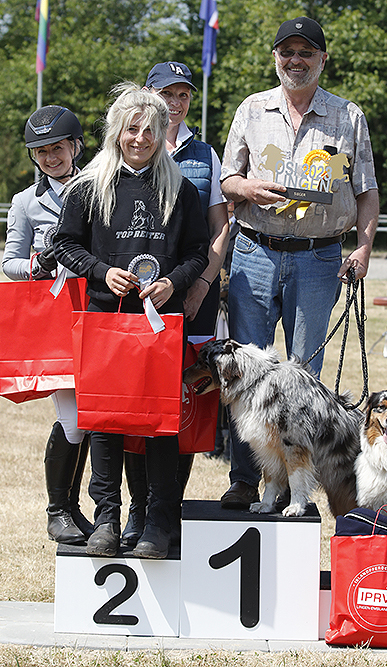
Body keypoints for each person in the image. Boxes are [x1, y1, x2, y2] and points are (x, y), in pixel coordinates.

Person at [218, 16, 380, 509]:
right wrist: (246, 188)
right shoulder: (251, 110)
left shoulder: (348, 116)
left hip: (319, 258)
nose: (295, 60)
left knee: (305, 375)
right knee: (244, 371)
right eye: (286, 52)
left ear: (322, 59)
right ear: (275, 58)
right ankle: (247, 478)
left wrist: (365, 245)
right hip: (255, 252)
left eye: (305, 52)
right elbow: (226, 181)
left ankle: (298, 483)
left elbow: (367, 192)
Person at [53, 83, 209, 558]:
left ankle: (158, 523)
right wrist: (102, 271)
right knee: (104, 422)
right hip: (104, 317)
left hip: (160, 323)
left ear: (165, 132)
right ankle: (106, 518)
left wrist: (172, 284)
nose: (140, 138)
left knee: (160, 424)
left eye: (150, 129)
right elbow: (64, 244)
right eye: (131, 128)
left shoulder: (180, 187)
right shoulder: (88, 186)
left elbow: (197, 253)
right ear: (117, 131)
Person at [113, 61, 231, 551]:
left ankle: (170, 508)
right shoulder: (132, 145)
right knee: (133, 402)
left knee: (184, 402)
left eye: (184, 93)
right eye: (166, 93)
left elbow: (220, 225)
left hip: (193, 294)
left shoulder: (205, 154)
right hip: (135, 301)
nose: (176, 102)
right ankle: (138, 507)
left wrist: (204, 281)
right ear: (149, 95)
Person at [2, 106, 92, 544]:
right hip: (58, 316)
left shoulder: (99, 187)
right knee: (74, 418)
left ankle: (76, 506)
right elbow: (10, 261)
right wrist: (38, 264)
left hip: (101, 308)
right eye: (41, 151)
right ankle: (57, 509)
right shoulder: (24, 202)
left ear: (75, 146)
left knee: (95, 418)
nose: (50, 158)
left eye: (57, 148)